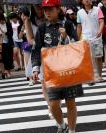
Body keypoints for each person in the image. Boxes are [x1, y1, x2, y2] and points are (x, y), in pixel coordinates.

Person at [31, 0, 82, 133]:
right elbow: (37, 49)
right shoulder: (42, 28)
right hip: (51, 71)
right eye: (45, 9)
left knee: (70, 102)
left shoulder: (68, 24)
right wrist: (36, 68)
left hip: (68, 69)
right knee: (53, 105)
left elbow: (77, 44)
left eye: (50, 9)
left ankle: (72, 130)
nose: (47, 12)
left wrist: (66, 37)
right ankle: (62, 125)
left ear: (58, 9)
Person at [77, 0, 105, 82]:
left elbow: (101, 21)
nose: (87, 0)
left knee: (98, 57)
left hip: (97, 37)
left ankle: (99, 75)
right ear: (82, 1)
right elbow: (79, 26)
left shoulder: (97, 9)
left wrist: (100, 30)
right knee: (88, 58)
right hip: (85, 38)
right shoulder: (79, 12)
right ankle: (91, 75)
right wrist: (78, 39)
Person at [0, 13, 14, 78]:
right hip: (1, 44)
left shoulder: (8, 24)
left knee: (9, 57)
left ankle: (9, 71)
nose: (0, 21)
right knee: (3, 58)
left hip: (8, 43)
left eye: (0, 20)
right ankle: (6, 71)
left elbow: (11, 33)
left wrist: (5, 32)